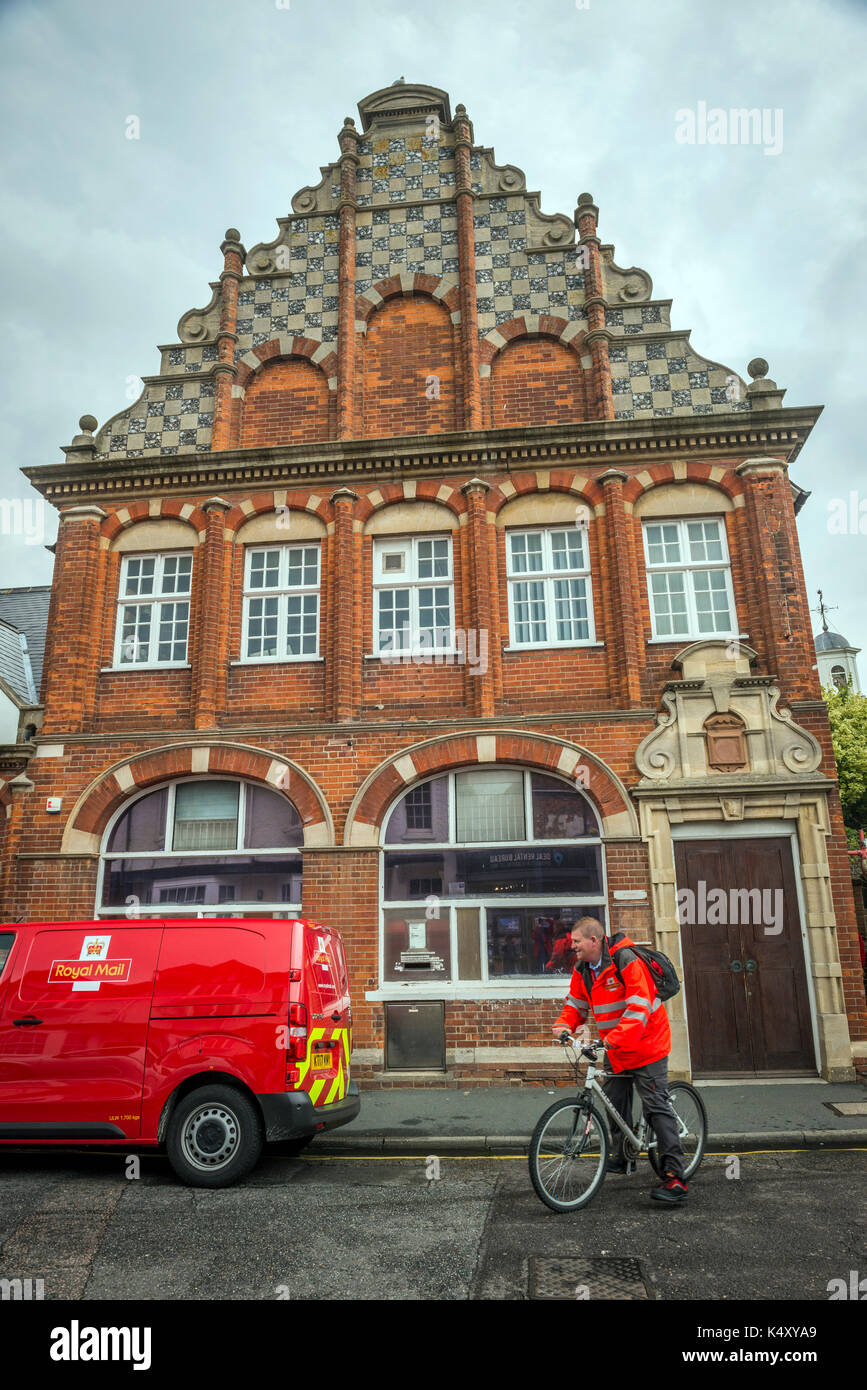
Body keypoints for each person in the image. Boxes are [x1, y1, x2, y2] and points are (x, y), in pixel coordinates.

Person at [551, 915, 689, 1205]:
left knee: (655, 1106)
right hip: (617, 1047)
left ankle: (675, 1177)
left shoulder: (625, 959)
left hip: (647, 1044)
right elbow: (576, 1003)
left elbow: (639, 1006)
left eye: (576, 941)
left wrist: (614, 1039)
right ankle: (624, 1158)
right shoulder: (583, 969)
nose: (571, 946)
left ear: (593, 940)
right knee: (614, 1101)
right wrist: (564, 1025)